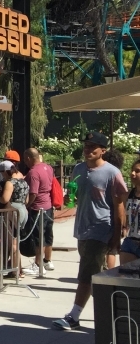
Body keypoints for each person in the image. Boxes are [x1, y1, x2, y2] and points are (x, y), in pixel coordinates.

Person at [54, 132, 128, 330]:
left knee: (86, 275)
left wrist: (117, 234)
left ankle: (74, 316)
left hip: (101, 229)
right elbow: (75, 195)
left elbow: (120, 203)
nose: (88, 150)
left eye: (93, 147)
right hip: (82, 229)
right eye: (86, 146)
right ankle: (116, 311)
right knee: (98, 275)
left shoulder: (112, 173)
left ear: (103, 150)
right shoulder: (78, 169)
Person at [24, 147, 55, 274]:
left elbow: (33, 193)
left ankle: (38, 263)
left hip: (38, 207)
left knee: (38, 236)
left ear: (29, 158)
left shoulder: (33, 172)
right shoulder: (48, 167)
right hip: (48, 205)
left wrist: (28, 204)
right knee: (48, 234)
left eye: (26, 159)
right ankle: (48, 260)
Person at [121, 158, 140, 266]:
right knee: (127, 279)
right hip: (130, 243)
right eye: (132, 170)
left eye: (137, 171)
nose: (132, 173)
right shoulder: (127, 195)